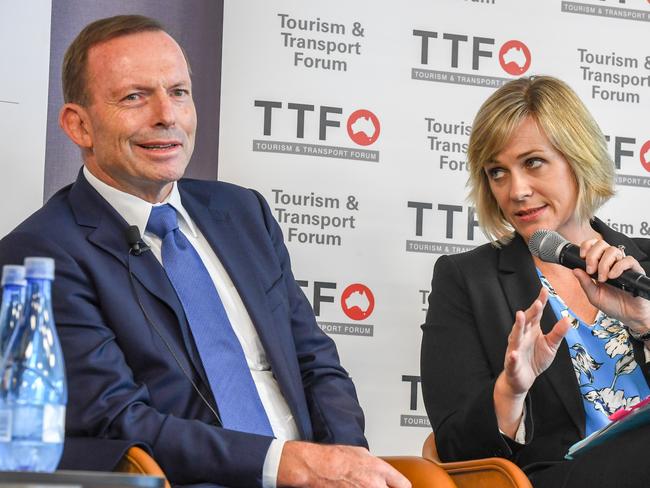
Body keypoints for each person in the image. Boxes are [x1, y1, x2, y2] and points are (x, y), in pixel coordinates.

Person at [0, 15, 410, 488]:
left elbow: (315, 362)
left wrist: (345, 463)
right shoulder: (41, 254)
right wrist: (288, 466)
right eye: (135, 97)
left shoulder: (242, 213)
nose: (166, 115)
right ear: (79, 125)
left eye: (178, 92)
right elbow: (119, 423)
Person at [420, 75, 650, 487]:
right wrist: (509, 391)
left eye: (532, 163)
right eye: (497, 172)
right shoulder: (468, 280)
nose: (517, 190)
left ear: (577, 157)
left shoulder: (644, 264)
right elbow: (455, 451)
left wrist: (646, 324)